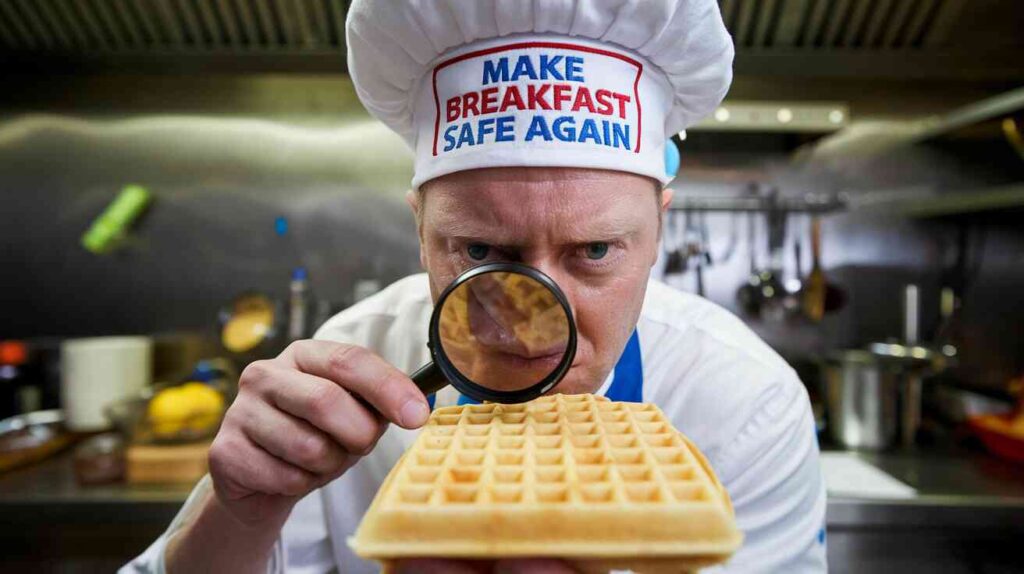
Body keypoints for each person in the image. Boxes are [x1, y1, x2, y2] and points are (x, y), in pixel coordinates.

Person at [125, 1, 826, 572]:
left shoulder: (745, 407)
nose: (531, 326)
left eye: (596, 250)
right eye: (482, 250)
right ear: (420, 230)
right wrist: (240, 514)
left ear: (659, 235)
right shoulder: (342, 373)